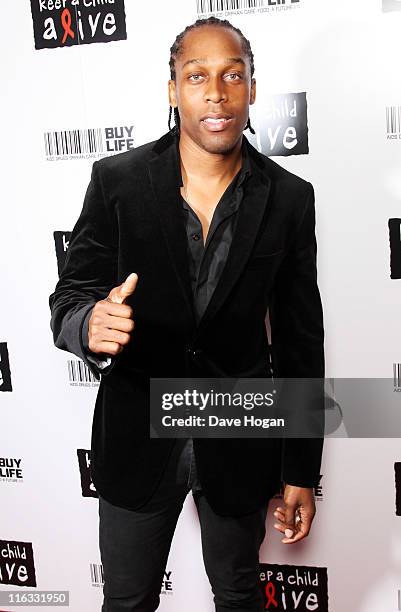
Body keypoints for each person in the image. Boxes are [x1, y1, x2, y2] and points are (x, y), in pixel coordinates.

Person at [49, 16, 325, 612]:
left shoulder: (290, 198)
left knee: (237, 593)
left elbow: (302, 343)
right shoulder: (117, 182)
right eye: (196, 76)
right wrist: (87, 326)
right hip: (135, 436)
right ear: (172, 90)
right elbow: (68, 299)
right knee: (126, 601)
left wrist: (301, 470)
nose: (216, 92)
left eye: (233, 75)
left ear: (253, 88)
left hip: (238, 436)